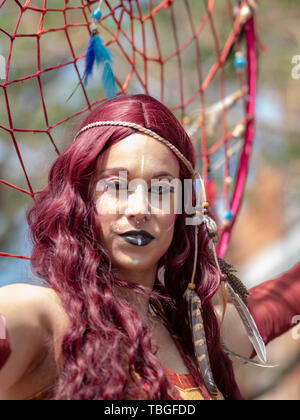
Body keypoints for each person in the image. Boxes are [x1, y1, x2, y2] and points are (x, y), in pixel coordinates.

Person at [0, 94, 299, 400]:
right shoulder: (42, 316)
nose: (140, 209)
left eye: (161, 189)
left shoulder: (194, 333)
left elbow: (283, 301)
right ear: (81, 197)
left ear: (183, 211)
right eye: (116, 185)